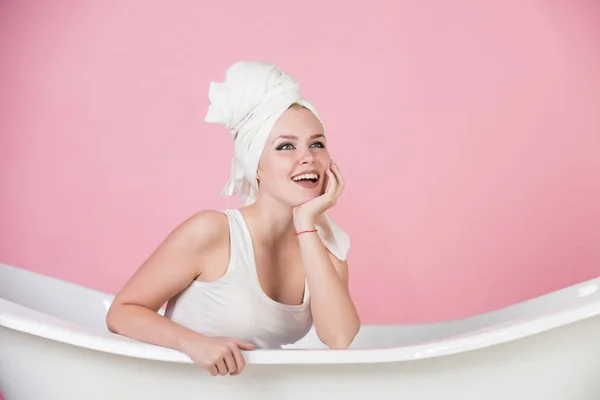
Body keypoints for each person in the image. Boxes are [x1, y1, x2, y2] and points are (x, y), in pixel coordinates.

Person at [105, 61, 360, 377]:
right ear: (256, 166)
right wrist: (194, 343)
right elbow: (121, 313)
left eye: (317, 144)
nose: (307, 156)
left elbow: (338, 338)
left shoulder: (326, 250)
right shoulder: (212, 232)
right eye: (286, 146)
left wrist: (306, 222)